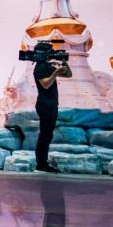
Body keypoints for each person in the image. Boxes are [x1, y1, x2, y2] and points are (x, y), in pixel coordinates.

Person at [32, 39, 72, 173]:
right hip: (45, 104)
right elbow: (46, 84)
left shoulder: (47, 66)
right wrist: (56, 72)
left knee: (48, 135)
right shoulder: (40, 67)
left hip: (51, 104)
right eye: (50, 51)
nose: (51, 54)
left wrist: (64, 61)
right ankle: (41, 164)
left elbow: (68, 74)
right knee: (45, 134)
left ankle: (43, 162)